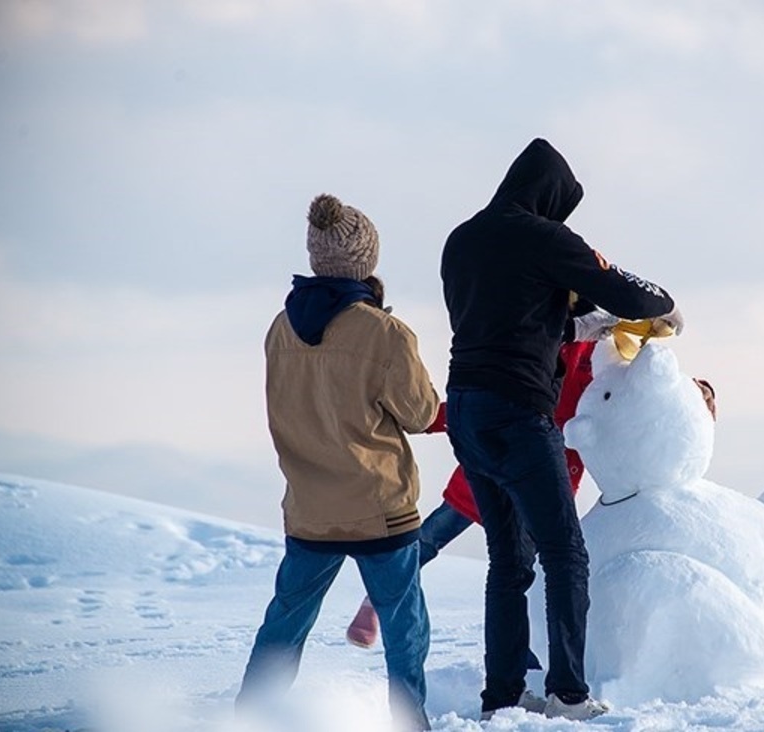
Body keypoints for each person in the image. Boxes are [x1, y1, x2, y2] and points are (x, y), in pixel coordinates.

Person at [439, 138, 683, 721]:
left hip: (466, 409)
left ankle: (501, 694)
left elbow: (508, 320)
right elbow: (622, 286)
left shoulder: (461, 240)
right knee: (565, 554)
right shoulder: (544, 237)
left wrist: (576, 325)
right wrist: (661, 304)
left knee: (508, 560)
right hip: (520, 412)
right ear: (551, 197)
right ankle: (568, 693)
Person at [236, 193, 440, 732]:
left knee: (284, 624)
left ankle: (249, 720)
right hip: (380, 509)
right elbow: (419, 414)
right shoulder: (384, 331)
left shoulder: (280, 328)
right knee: (405, 630)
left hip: (309, 506)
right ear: (367, 261)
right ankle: (409, 723)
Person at [346, 339, 597, 651]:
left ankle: (529, 656)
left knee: (532, 574)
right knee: (428, 540)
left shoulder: (604, 355)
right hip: (491, 467)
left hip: (544, 481)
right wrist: (424, 419)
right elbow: (486, 400)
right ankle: (375, 601)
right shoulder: (535, 341)